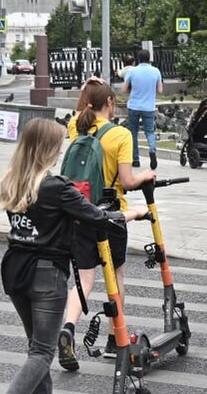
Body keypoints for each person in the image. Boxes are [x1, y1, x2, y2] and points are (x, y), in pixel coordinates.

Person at [0, 118, 143, 394]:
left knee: (35, 348)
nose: (60, 151)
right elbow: (97, 216)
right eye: (56, 145)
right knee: (42, 352)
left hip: (14, 270)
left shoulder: (14, 181)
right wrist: (133, 215)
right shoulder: (54, 186)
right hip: (45, 273)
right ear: (46, 150)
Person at [57, 79, 157, 371]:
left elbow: (79, 111)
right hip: (112, 215)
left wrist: (85, 90)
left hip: (80, 211)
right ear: (111, 103)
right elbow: (127, 181)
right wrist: (146, 176)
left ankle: (68, 328)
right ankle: (116, 337)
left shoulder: (78, 125)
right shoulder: (121, 135)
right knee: (117, 275)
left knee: (84, 280)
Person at [123, 50, 163, 169]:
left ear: (138, 59)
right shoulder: (156, 71)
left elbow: (124, 90)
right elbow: (160, 90)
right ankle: (152, 150)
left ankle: (135, 159)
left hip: (134, 106)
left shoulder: (132, 71)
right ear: (149, 58)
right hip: (149, 107)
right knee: (149, 131)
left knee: (133, 132)